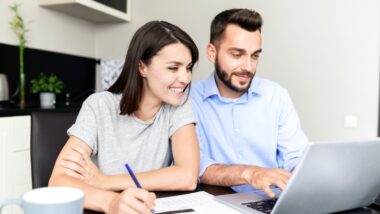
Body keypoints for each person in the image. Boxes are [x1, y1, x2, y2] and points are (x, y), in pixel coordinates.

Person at [49, 20, 200, 213]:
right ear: (142, 67)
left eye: (188, 68)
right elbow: (58, 180)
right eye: (173, 68)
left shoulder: (178, 105)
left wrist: (106, 181)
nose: (186, 78)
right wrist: (111, 202)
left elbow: (187, 176)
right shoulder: (99, 105)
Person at [191, 8, 308, 198]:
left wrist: (303, 173)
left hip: (273, 202)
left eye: (255, 55)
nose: (248, 66)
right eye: (237, 54)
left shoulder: (275, 95)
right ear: (212, 53)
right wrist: (251, 174)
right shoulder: (190, 100)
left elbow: (295, 156)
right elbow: (198, 166)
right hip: (218, 205)